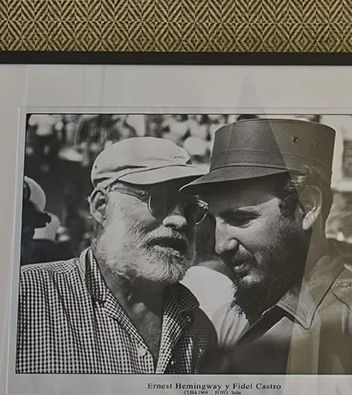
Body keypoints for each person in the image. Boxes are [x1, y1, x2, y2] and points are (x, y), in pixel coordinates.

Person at [184, 116, 352, 377]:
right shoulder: (251, 307)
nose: (220, 245)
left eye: (240, 219)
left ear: (308, 206)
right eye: (214, 221)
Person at [16, 137, 217, 375]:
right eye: (160, 201)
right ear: (102, 206)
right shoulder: (25, 298)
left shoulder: (200, 330)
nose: (180, 220)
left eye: (191, 209)